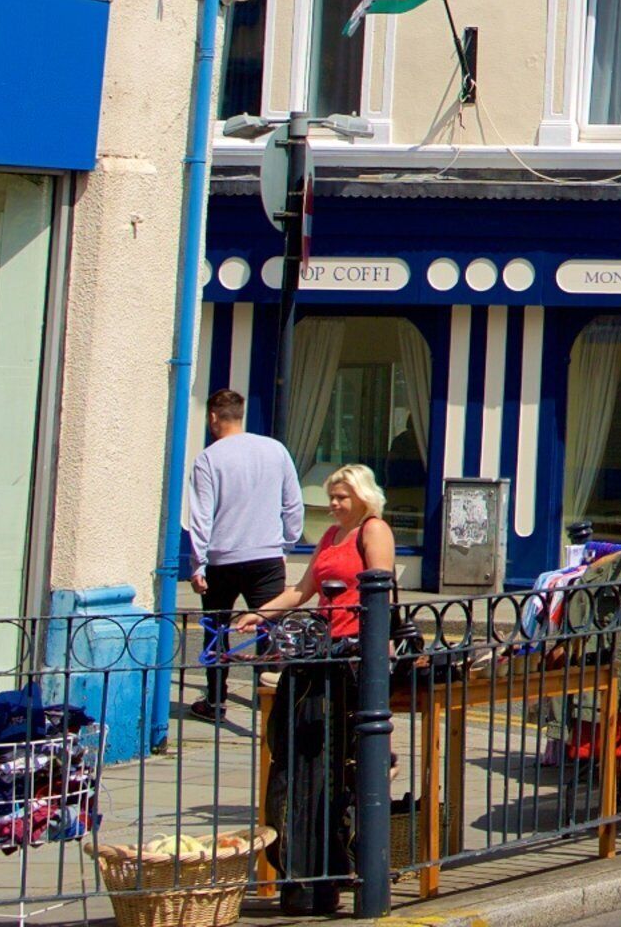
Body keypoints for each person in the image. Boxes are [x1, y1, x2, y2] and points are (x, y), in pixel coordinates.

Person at [238, 464, 395, 915]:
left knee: (342, 759)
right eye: (332, 497)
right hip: (321, 650)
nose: (334, 505)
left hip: (352, 653)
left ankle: (346, 865)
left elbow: (379, 589)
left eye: (342, 497)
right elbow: (303, 590)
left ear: (362, 497)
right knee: (299, 757)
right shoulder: (329, 536)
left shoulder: (373, 529)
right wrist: (259, 614)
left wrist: (372, 643)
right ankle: (301, 868)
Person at [183, 389, 303, 722]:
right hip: (266, 557)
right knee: (270, 629)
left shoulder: (208, 459)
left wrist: (198, 564)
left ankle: (215, 701)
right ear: (241, 414)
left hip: (221, 559)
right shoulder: (275, 450)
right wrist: (286, 545)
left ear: (212, 418)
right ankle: (272, 705)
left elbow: (201, 516)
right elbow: (293, 504)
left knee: (217, 631)